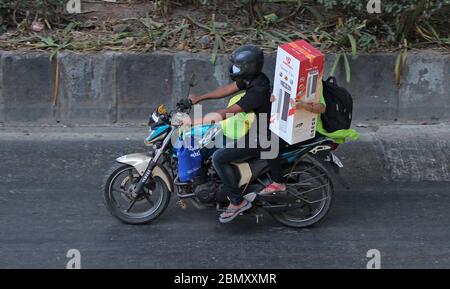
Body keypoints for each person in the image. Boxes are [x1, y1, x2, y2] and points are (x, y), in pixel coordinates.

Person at [186, 45, 272, 223]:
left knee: (219, 157)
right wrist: (200, 98)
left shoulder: (257, 91)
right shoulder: (253, 79)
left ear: (248, 67)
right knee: (217, 141)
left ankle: (237, 201)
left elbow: (225, 113)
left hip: (262, 137)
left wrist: (192, 122)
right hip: (257, 128)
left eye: (238, 66)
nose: (234, 69)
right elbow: (228, 89)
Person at [259, 85, 327, 195]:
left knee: (268, 145)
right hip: (289, 125)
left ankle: (278, 182)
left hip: (308, 129)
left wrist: (303, 106)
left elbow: (322, 108)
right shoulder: (289, 76)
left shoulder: (316, 82)